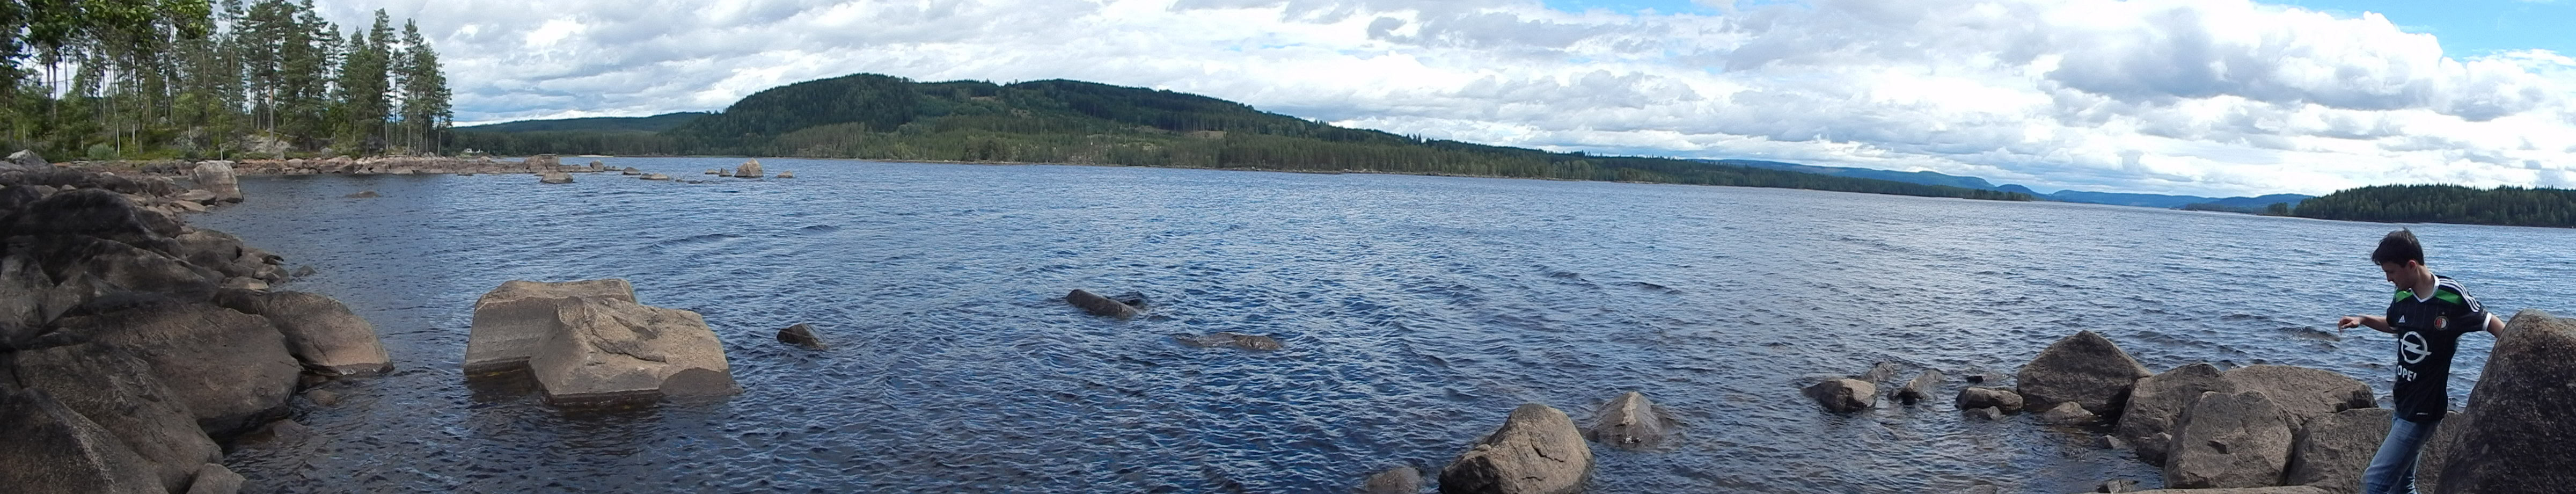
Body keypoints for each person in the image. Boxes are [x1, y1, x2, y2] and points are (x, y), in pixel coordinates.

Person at [2333, 229, 2504, 494]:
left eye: (2391, 272)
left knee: (2373, 484)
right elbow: (2395, 325)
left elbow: (2491, 323)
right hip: (2403, 401)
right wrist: (2363, 320)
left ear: (2411, 265)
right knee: (2404, 487)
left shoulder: (2452, 295)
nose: (2389, 279)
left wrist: (2517, 355)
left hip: (2424, 410)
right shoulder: (2403, 294)